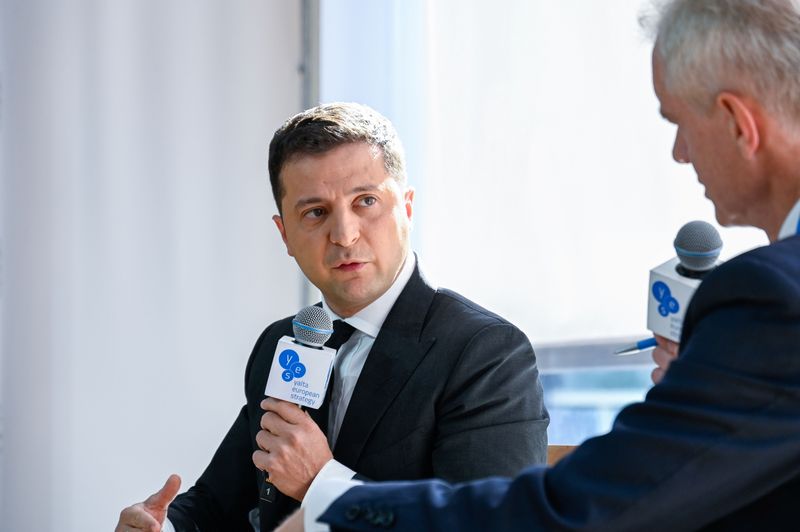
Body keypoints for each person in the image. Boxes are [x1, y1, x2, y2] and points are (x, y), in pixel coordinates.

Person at [279, 1, 800, 530]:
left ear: (738, 122)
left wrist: (332, 506)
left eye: (679, 123)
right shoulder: (286, 345)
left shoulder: (772, 295)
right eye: (316, 212)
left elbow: (580, 509)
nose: (679, 153)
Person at [115, 102, 549, 532]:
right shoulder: (283, 343)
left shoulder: (486, 352)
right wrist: (163, 526)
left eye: (366, 201)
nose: (344, 234)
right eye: (316, 212)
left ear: (408, 209)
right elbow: (222, 501)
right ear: (285, 233)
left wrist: (321, 483)